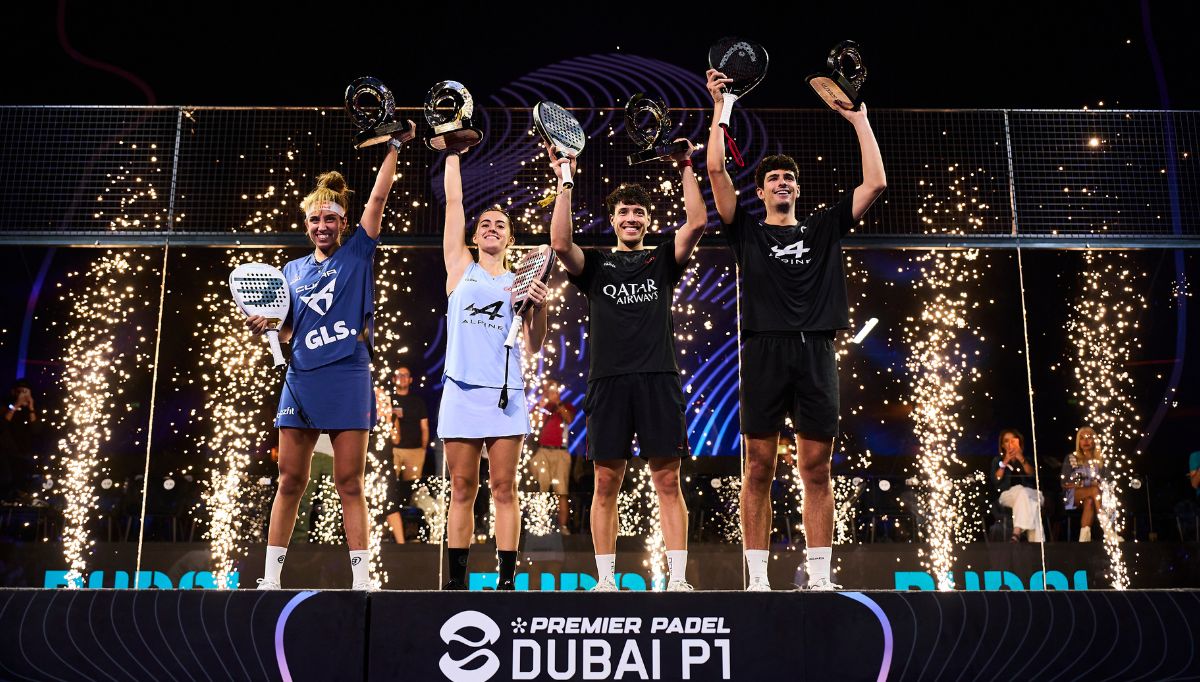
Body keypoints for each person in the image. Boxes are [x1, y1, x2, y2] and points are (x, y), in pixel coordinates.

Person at [704, 68, 887, 590]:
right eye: (773, 179)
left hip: (815, 351)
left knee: (816, 469)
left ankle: (821, 576)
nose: (782, 182)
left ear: (797, 189)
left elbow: (876, 183)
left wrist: (859, 120)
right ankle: (758, 579)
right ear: (760, 191)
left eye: (788, 178)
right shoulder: (745, 231)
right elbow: (715, 168)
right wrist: (721, 106)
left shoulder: (824, 226)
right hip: (763, 352)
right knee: (758, 468)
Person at [245, 122, 416, 590]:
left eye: (330, 219)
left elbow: (378, 199)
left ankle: (362, 580)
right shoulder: (290, 270)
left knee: (350, 482)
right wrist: (267, 326)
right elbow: (288, 330)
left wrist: (394, 147)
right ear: (306, 225)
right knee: (289, 481)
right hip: (301, 378)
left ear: (343, 223)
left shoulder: (358, 253)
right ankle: (270, 579)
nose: (322, 226)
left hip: (347, 375)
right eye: (314, 220)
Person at [548, 136, 707, 592]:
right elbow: (560, 242)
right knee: (604, 481)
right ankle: (605, 580)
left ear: (647, 220)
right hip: (608, 383)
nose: (631, 218)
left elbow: (697, 221)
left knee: (668, 480)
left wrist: (685, 166)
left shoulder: (662, 261)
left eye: (639, 212)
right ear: (613, 220)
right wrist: (564, 179)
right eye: (623, 212)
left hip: (659, 381)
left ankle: (677, 579)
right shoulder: (596, 266)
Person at [438, 149, 550, 590]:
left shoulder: (519, 283)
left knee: (504, 488)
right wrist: (452, 154)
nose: (491, 228)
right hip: (461, 393)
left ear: (510, 239)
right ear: (474, 235)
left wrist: (540, 307)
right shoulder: (459, 268)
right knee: (462, 488)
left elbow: (534, 344)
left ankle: (506, 582)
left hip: (505, 395)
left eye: (500, 225)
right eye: (484, 223)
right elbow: (453, 203)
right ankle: (456, 583)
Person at [384, 366, 429, 543]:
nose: (402, 378)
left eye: (405, 375)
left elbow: (424, 427)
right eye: (398, 375)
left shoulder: (417, 402)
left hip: (414, 451)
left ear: (410, 379)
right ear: (393, 379)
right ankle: (389, 531)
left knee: (411, 490)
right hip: (393, 450)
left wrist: (423, 449)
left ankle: (410, 530)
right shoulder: (388, 400)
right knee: (390, 489)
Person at [529, 382, 577, 534]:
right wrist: (541, 404)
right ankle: (541, 524)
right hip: (543, 451)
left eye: (554, 390)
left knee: (561, 491)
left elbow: (569, 419)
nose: (551, 393)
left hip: (561, 452)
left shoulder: (566, 406)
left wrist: (558, 403)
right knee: (541, 487)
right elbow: (533, 423)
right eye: (548, 390)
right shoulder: (541, 407)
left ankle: (563, 527)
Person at [992, 428, 1045, 543]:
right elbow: (996, 480)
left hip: (1032, 493)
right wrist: (1005, 461)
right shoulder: (998, 460)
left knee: (1024, 493)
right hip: (1008, 495)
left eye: (1013, 440)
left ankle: (1016, 533)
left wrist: (1021, 459)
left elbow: (1033, 476)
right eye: (1006, 441)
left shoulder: (1028, 459)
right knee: (1029, 500)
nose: (1010, 444)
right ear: (1002, 445)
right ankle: (1038, 544)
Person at [1, 379, 42, 502]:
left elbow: (36, 430)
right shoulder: (5, 407)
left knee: (25, 483)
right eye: (21, 392)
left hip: (24, 453)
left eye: (26, 392)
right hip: (6, 453)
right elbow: (2, 425)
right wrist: (16, 405)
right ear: (14, 392)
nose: (23, 396)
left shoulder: (32, 411)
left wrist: (31, 407)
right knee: (7, 480)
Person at [1062, 426, 1105, 542]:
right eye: (1082, 438)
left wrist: (1097, 484)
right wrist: (1085, 484)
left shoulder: (1101, 460)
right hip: (1072, 496)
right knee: (1094, 490)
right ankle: (1107, 529)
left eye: (1089, 437)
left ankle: (1084, 540)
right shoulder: (1071, 458)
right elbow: (1065, 483)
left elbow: (1106, 481)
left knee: (1090, 500)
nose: (1085, 441)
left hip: (1095, 498)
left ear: (1094, 441)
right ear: (1078, 442)